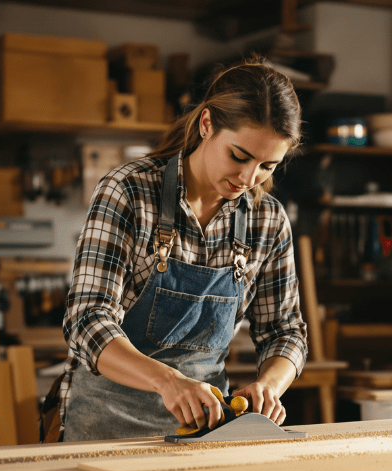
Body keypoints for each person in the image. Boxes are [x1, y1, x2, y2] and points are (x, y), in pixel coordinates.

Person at [59, 56, 308, 441]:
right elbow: (87, 320)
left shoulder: (267, 220)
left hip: (203, 434)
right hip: (106, 427)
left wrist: (270, 386)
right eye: (239, 156)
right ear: (206, 124)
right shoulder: (129, 192)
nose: (248, 178)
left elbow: (285, 331)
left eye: (267, 166)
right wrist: (169, 382)